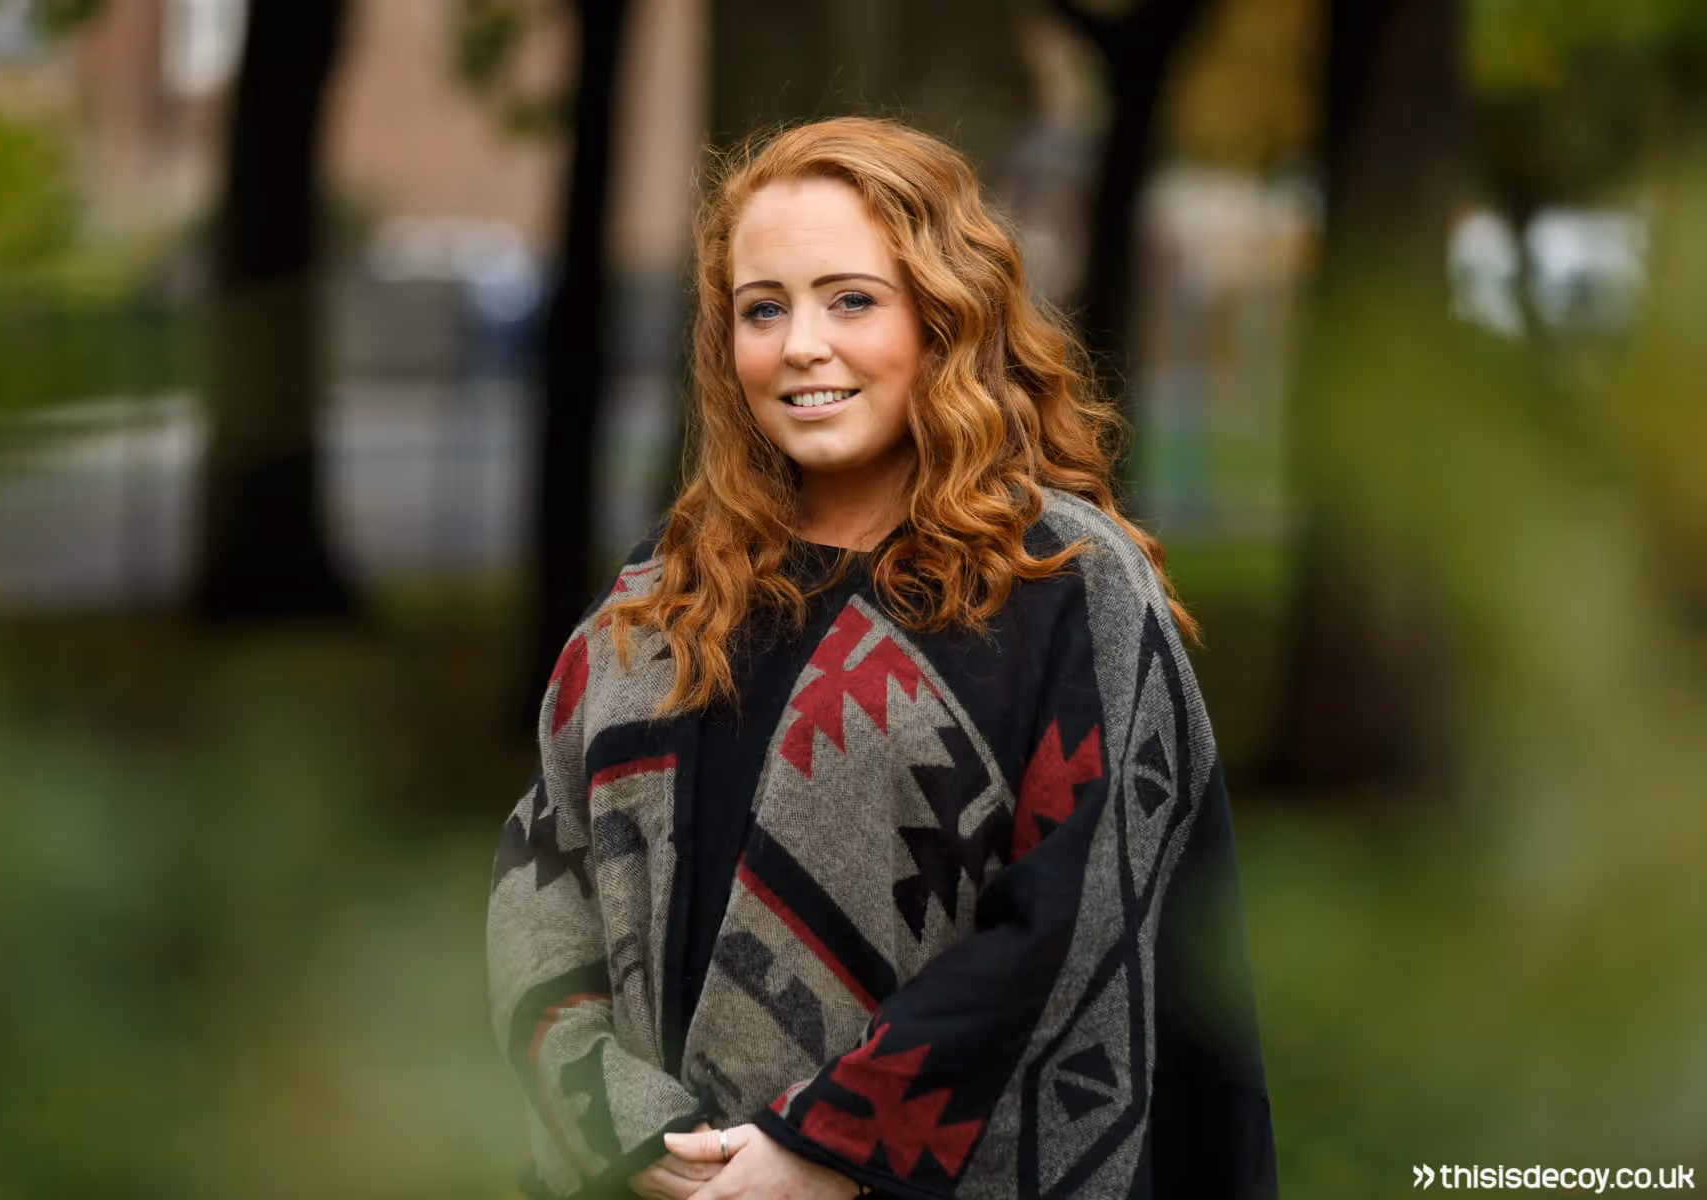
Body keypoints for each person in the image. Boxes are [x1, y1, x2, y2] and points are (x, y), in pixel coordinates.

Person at [487, 116, 1276, 1200]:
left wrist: (824, 1148)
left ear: (943, 317)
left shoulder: (1061, 585)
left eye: (851, 300)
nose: (802, 345)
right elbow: (543, 883)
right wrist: (629, 1130)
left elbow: (1072, 922)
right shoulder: (663, 594)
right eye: (765, 309)